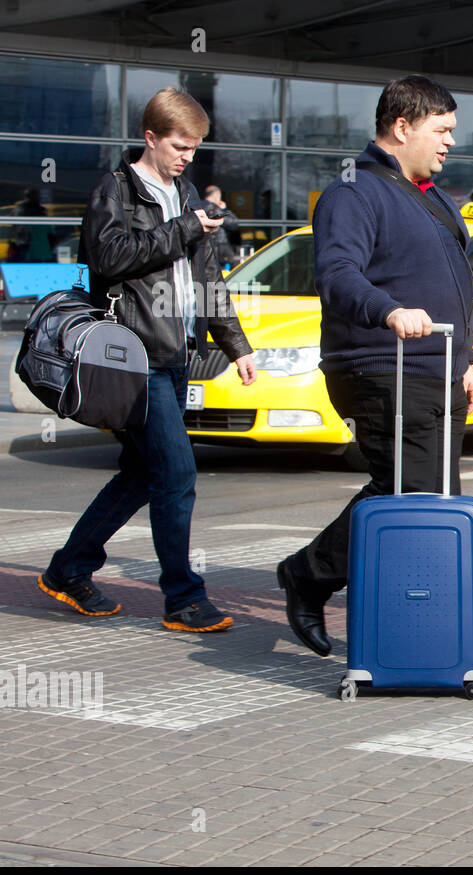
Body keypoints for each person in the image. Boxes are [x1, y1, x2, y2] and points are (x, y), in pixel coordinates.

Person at [38, 87, 257, 632]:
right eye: (180, 146)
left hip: (175, 353)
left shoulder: (185, 194)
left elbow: (207, 280)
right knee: (177, 472)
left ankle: (68, 569)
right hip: (130, 358)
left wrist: (236, 343)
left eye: (195, 148)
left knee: (142, 473)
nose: (187, 157)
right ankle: (184, 597)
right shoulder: (116, 190)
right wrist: (185, 227)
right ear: (151, 137)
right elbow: (109, 259)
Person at [276, 75, 473, 657]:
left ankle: (420, 628)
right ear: (401, 127)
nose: (449, 144)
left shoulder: (432, 196)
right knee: (409, 487)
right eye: (441, 131)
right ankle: (309, 575)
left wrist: (467, 360)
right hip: (380, 365)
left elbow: (455, 289)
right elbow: (338, 274)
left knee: (433, 500)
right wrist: (389, 311)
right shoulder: (354, 191)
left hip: (438, 367)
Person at [200, 185, 241, 269]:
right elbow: (233, 223)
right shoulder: (214, 208)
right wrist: (224, 209)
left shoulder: (198, 206)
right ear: (216, 197)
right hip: (219, 247)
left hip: (203, 245)